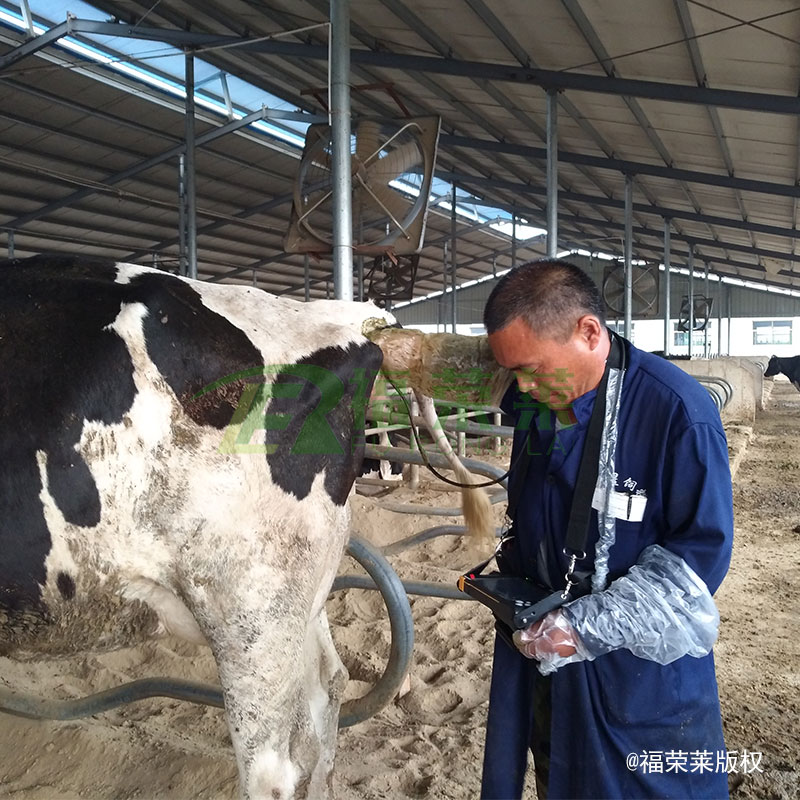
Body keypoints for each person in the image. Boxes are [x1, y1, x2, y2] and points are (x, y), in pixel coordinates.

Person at [480, 259, 733, 799]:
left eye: (529, 368)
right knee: (555, 774)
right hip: (544, 650)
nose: (519, 388)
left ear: (589, 332)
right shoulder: (539, 397)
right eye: (511, 372)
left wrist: (587, 628)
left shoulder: (677, 414)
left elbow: (697, 562)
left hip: (636, 676)